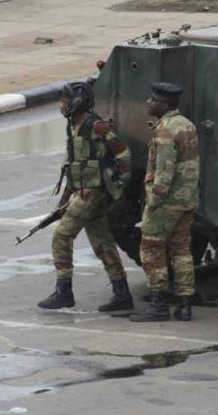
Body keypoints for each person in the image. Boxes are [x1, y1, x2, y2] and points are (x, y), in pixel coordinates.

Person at [37, 81, 134, 311]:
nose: (62, 105)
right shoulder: (73, 126)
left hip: (93, 193)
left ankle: (64, 292)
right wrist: (64, 198)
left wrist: (117, 187)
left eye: (65, 101)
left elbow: (124, 155)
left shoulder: (96, 126)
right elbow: (74, 165)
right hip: (82, 192)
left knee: (61, 237)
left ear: (78, 102)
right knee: (102, 243)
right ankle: (122, 294)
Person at [130, 82, 199, 322]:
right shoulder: (187, 125)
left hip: (166, 201)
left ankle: (158, 304)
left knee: (152, 249)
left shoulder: (165, 130)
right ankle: (184, 305)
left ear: (165, 105)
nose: (149, 102)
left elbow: (164, 170)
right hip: (187, 200)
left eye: (153, 100)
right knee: (181, 251)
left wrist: (154, 201)